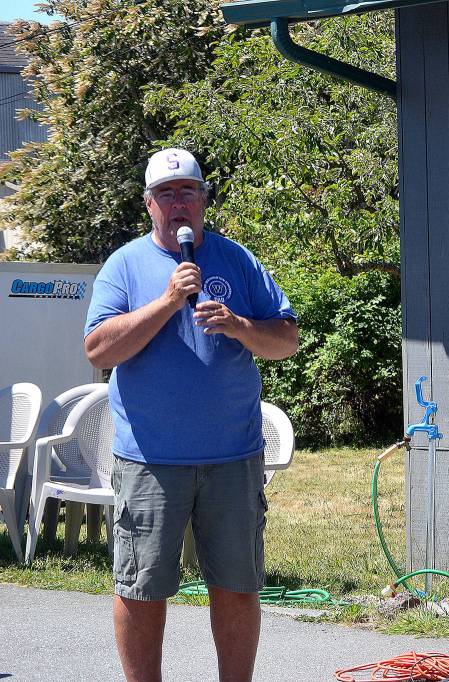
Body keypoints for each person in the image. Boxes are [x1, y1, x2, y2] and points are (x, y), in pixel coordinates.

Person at [84, 148, 299, 682]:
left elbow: (286, 341)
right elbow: (99, 351)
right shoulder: (125, 265)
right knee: (142, 589)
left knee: (236, 585)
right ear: (149, 205)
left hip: (232, 458)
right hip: (150, 461)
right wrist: (165, 301)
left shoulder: (239, 260)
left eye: (187, 192)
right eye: (166, 194)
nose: (178, 203)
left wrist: (241, 326)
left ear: (203, 200)